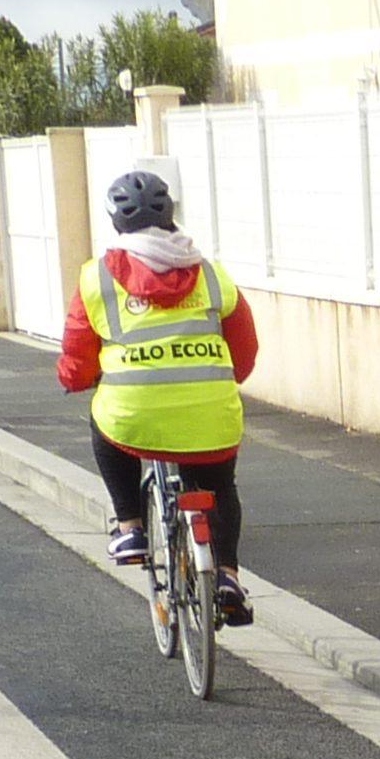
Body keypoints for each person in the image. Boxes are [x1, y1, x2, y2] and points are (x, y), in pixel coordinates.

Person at [57, 165, 260, 628]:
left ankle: (130, 529)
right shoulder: (212, 274)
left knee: (104, 424)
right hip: (211, 414)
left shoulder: (97, 278)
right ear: (170, 215)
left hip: (134, 415)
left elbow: (77, 352)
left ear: (115, 222)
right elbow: (244, 349)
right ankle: (226, 576)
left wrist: (74, 379)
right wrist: (226, 379)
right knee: (218, 486)